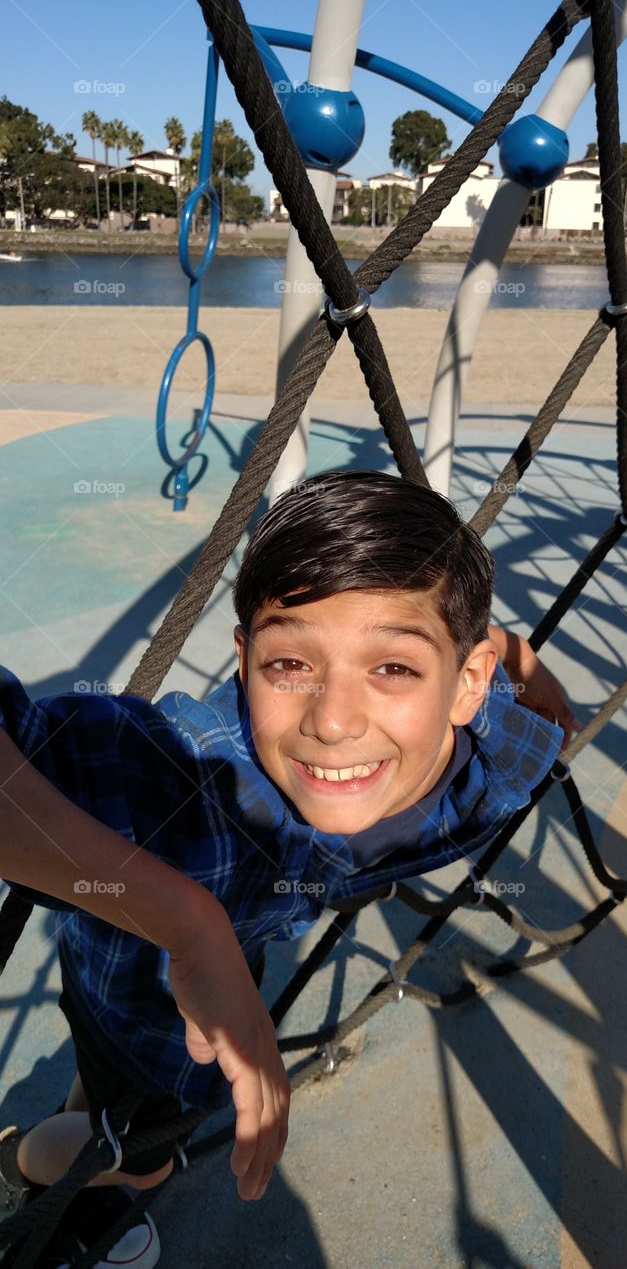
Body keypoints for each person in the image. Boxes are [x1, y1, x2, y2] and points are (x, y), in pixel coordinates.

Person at [0, 469, 579, 1266]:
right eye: (289, 665)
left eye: (395, 668)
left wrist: (510, 646)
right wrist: (188, 923)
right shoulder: (184, 776)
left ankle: (85, 1151)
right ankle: (23, 1161)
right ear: (244, 662)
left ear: (468, 683)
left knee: (119, 1111)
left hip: (236, 942)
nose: (333, 722)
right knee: (138, 1150)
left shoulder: (486, 772)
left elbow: (545, 718)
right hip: (134, 973)